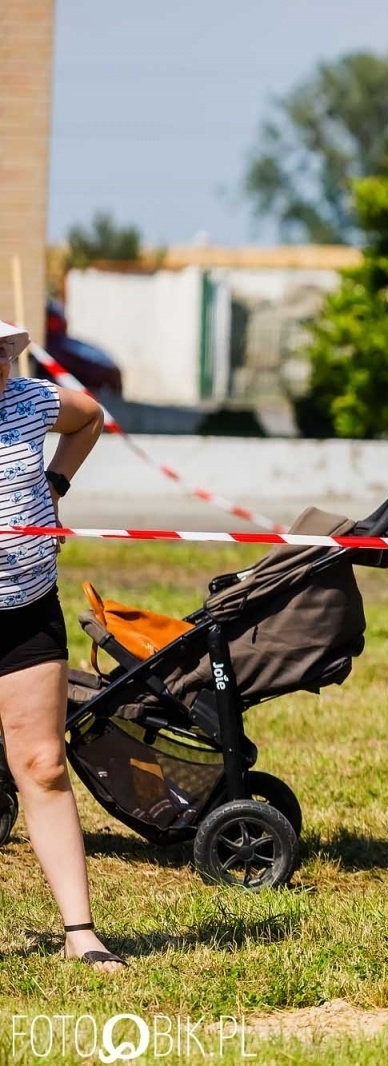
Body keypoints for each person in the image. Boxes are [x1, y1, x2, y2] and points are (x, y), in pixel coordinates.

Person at [0, 320, 119, 971]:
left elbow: (90, 417)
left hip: (26, 609)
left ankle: (81, 933)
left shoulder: (32, 400)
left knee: (43, 766)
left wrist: (55, 485)